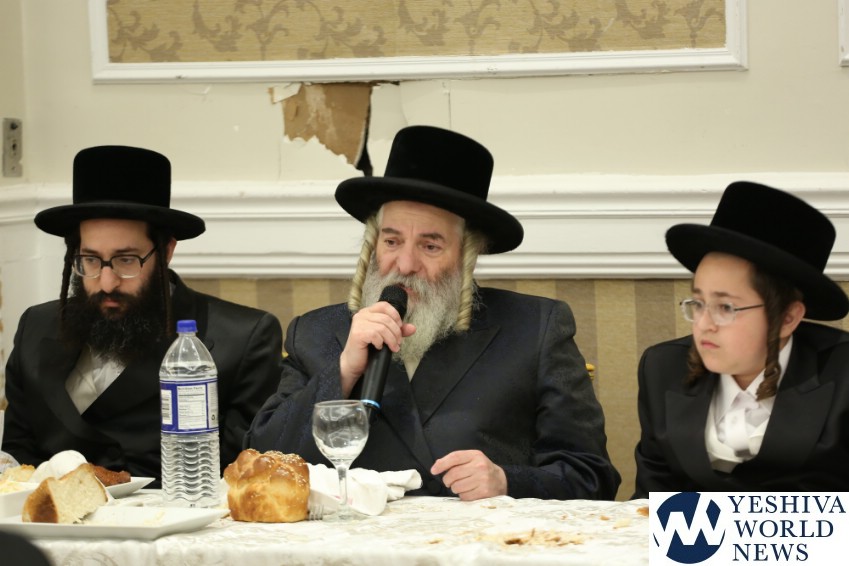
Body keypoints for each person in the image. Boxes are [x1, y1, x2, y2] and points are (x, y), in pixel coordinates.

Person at [246, 125, 620, 501]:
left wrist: (508, 481)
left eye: (430, 246)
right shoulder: (315, 333)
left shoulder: (534, 329)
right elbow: (262, 463)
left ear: (467, 256)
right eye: (392, 241)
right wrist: (343, 371)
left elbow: (593, 477)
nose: (405, 264)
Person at [2, 145, 284, 482]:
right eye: (90, 260)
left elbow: (241, 478)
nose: (107, 282)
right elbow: (17, 463)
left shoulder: (242, 339)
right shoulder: (35, 326)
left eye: (126, 260)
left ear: (166, 251)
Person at [633, 181, 849, 496]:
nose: (703, 324)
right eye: (698, 303)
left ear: (788, 318)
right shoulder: (662, 367)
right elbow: (653, 498)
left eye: (726, 307)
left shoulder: (842, 374)